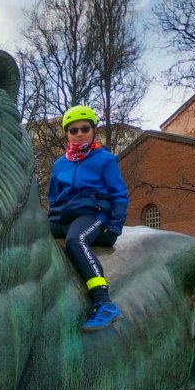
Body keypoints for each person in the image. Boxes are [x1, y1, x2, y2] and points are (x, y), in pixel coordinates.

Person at [48, 105, 129, 332]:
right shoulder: (59, 164)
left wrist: (114, 227)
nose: (79, 134)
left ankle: (104, 302)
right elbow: (53, 197)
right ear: (67, 134)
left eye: (85, 128)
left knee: (76, 240)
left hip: (91, 214)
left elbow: (119, 195)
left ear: (93, 130)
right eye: (73, 130)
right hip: (62, 216)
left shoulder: (105, 159)